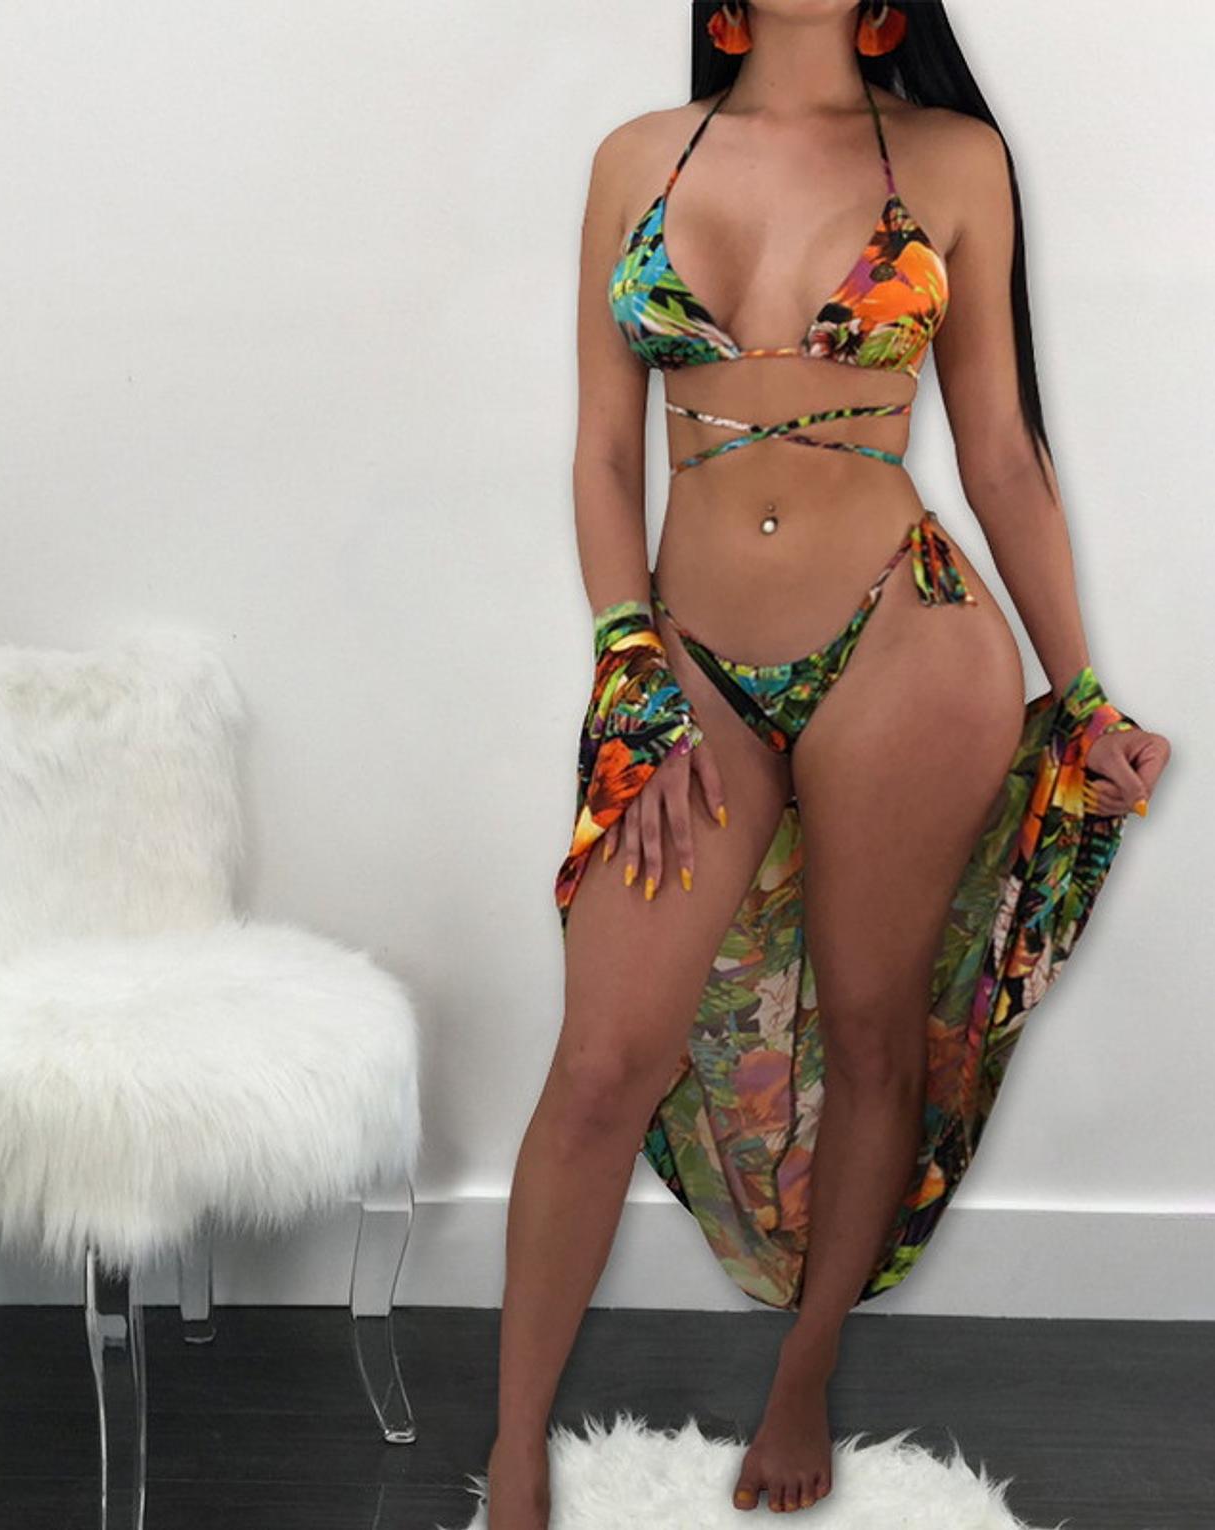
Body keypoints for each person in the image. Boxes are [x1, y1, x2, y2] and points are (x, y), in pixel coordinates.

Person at [487, 1, 1172, 1522]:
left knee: (874, 1034)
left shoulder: (954, 158)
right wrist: (626, 658)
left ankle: (804, 1375)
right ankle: (514, 1446)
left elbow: (999, 453)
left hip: (904, 641)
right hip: (686, 662)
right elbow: (604, 451)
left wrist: (1083, 696)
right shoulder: (636, 158)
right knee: (601, 1063)